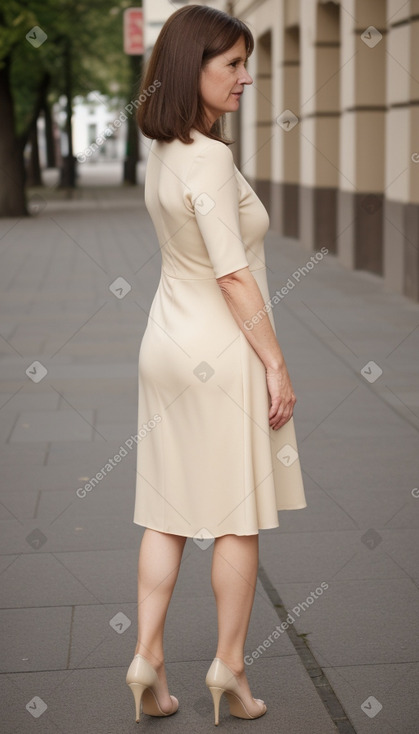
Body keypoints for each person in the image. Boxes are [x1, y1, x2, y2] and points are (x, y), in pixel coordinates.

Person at [126, 4, 307, 727]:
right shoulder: (210, 156)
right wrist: (277, 366)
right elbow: (233, 276)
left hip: (164, 342)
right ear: (189, 67)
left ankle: (147, 660)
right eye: (230, 64)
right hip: (217, 348)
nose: (246, 77)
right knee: (235, 513)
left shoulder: (166, 150)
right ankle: (228, 667)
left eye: (245, 62)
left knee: (167, 512)